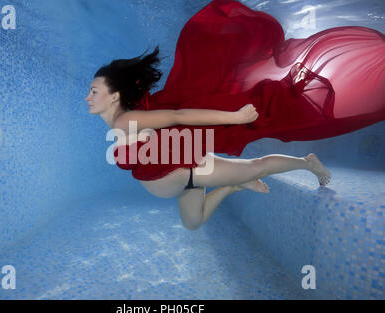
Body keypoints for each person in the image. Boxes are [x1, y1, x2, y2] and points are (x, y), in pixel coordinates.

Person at [85, 0, 385, 230]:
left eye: (94, 91)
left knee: (257, 166)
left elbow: (180, 113)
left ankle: (307, 164)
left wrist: (236, 118)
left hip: (189, 172)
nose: (88, 97)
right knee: (193, 222)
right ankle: (233, 186)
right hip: (184, 179)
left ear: (115, 96)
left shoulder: (127, 121)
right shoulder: (125, 119)